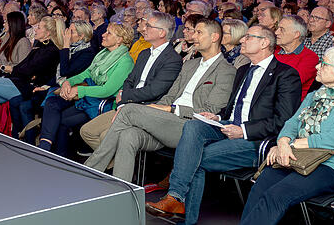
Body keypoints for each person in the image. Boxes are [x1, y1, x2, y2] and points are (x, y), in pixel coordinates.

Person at [146, 25, 302, 223]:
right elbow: (231, 108)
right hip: (229, 125)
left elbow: (284, 120)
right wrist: (217, 117)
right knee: (193, 126)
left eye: (248, 37)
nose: (242, 40)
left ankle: (181, 207)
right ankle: (175, 198)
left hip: (257, 139)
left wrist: (243, 130)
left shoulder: (285, 74)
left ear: (264, 43)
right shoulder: (244, 69)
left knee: (196, 158)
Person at [83, 19, 237, 182]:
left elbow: (209, 111)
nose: (193, 36)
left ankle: (90, 171)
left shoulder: (226, 71)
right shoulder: (190, 65)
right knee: (128, 135)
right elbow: (170, 96)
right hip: (166, 121)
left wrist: (170, 109)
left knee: (128, 110)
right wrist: (156, 108)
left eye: (199, 32)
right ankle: (122, 190)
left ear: (214, 37)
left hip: (189, 126)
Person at [240, 46, 334, 224]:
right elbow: (292, 123)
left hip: (333, 167)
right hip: (299, 158)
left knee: (278, 194)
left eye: (323, 64)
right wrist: (283, 142)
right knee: (261, 186)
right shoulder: (314, 95)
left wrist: (290, 146)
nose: (317, 66)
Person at [80, 11, 182, 151]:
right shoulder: (144, 53)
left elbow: (154, 91)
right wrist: (123, 101)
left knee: (106, 136)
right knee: (86, 131)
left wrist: (125, 97)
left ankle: (114, 168)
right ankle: (112, 167)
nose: (144, 29)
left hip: (146, 108)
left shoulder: (172, 59)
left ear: (161, 33)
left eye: (149, 26)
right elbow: (130, 80)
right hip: (127, 104)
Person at [37, 24, 134, 156]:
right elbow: (86, 74)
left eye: (109, 33)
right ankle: (54, 154)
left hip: (105, 105)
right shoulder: (103, 54)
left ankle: (55, 155)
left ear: (120, 40)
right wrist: (67, 82)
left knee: (63, 120)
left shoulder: (125, 62)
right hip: (90, 99)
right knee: (58, 115)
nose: (103, 35)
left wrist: (78, 91)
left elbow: (107, 90)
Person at [274, 15, 320, 98]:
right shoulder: (274, 52)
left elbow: (289, 83)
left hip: (289, 103)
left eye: (282, 29)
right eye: (277, 28)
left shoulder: (310, 58)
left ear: (296, 34)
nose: (276, 32)